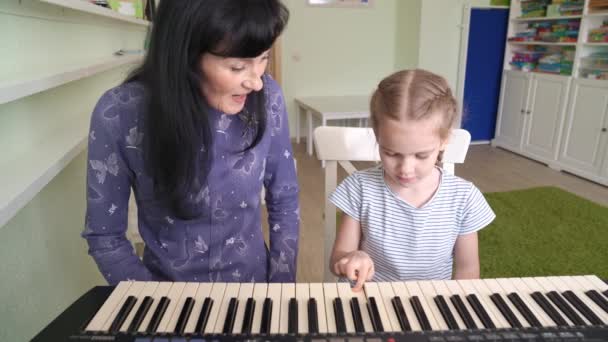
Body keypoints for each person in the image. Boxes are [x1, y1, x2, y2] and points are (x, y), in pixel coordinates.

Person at [82, 0, 299, 285]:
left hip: (253, 291)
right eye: (237, 67)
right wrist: (158, 309)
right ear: (185, 54)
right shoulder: (120, 113)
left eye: (264, 58)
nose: (256, 82)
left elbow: (284, 200)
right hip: (164, 300)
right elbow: (105, 236)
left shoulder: (268, 97)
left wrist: (281, 293)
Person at [329, 69, 495, 291]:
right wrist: (351, 258)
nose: (405, 169)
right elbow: (336, 261)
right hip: (370, 299)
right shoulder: (359, 188)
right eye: (391, 153)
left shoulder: (463, 198)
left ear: (445, 140)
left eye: (421, 155)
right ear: (377, 136)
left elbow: (467, 272)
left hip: (432, 304)